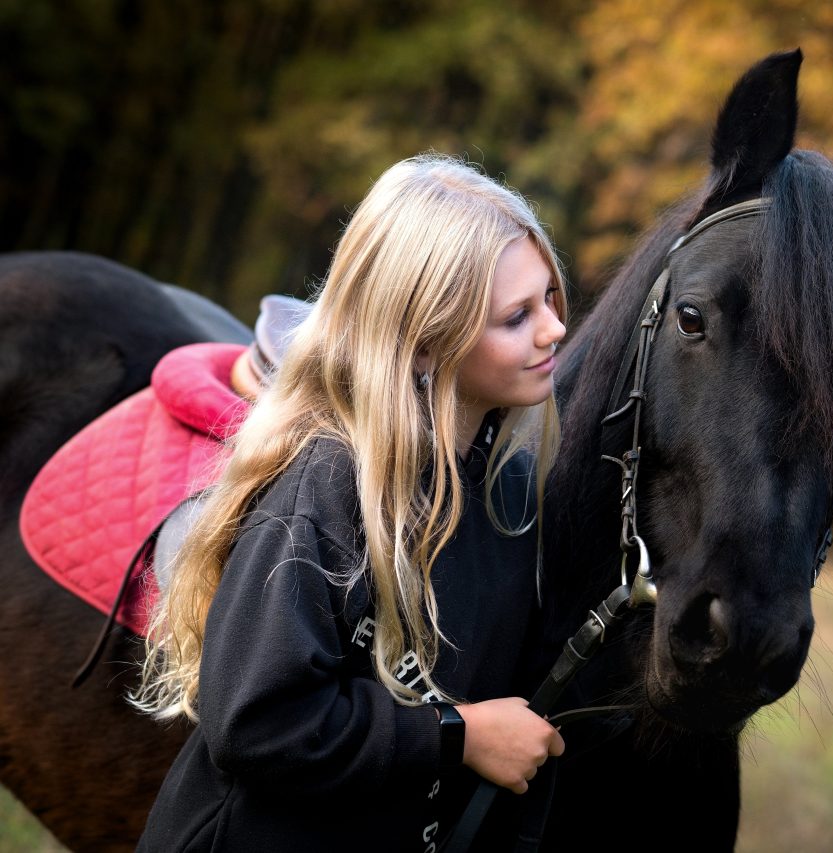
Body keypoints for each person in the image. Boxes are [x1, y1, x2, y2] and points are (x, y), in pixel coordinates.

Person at [133, 155, 569, 851]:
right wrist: (458, 735)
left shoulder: (506, 494)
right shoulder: (329, 486)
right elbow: (257, 721)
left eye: (550, 298)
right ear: (425, 345)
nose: (554, 330)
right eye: (518, 316)